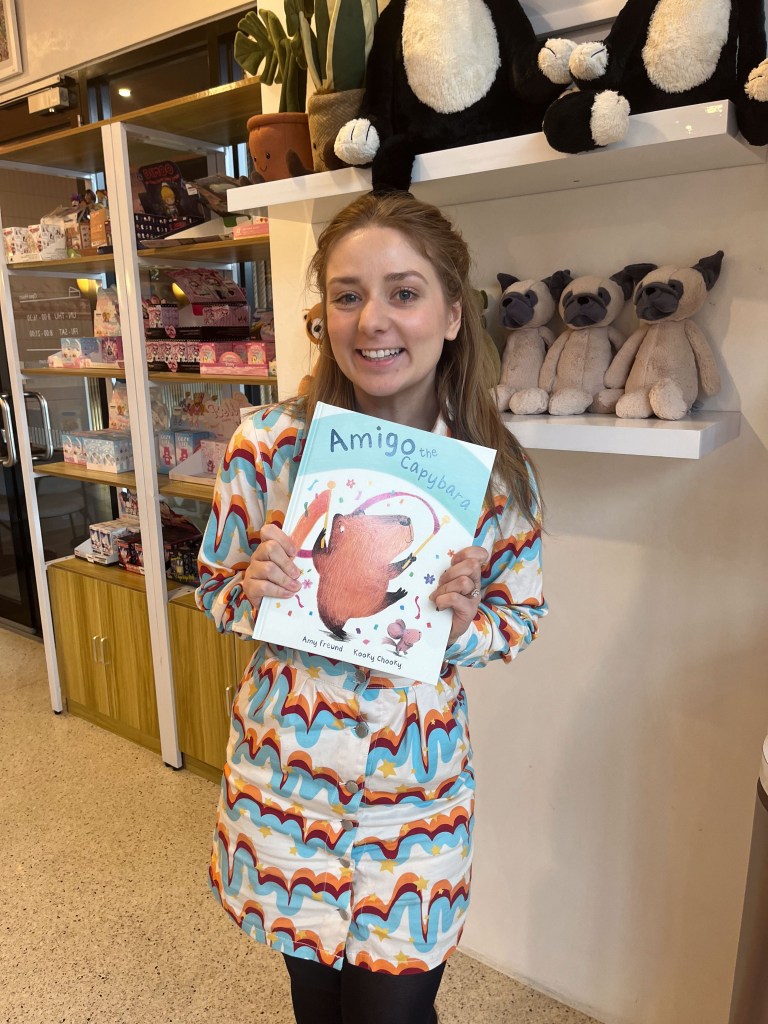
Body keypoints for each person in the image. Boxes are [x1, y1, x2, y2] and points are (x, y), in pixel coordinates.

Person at [196, 192, 547, 1024]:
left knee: (391, 1015)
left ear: (453, 313)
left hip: (412, 809)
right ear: (324, 317)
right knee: (316, 1009)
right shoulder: (270, 445)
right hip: (285, 793)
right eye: (348, 295)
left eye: (404, 291)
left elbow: (519, 619)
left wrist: (465, 625)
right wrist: (252, 587)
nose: (373, 321)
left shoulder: (496, 475)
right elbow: (213, 587)